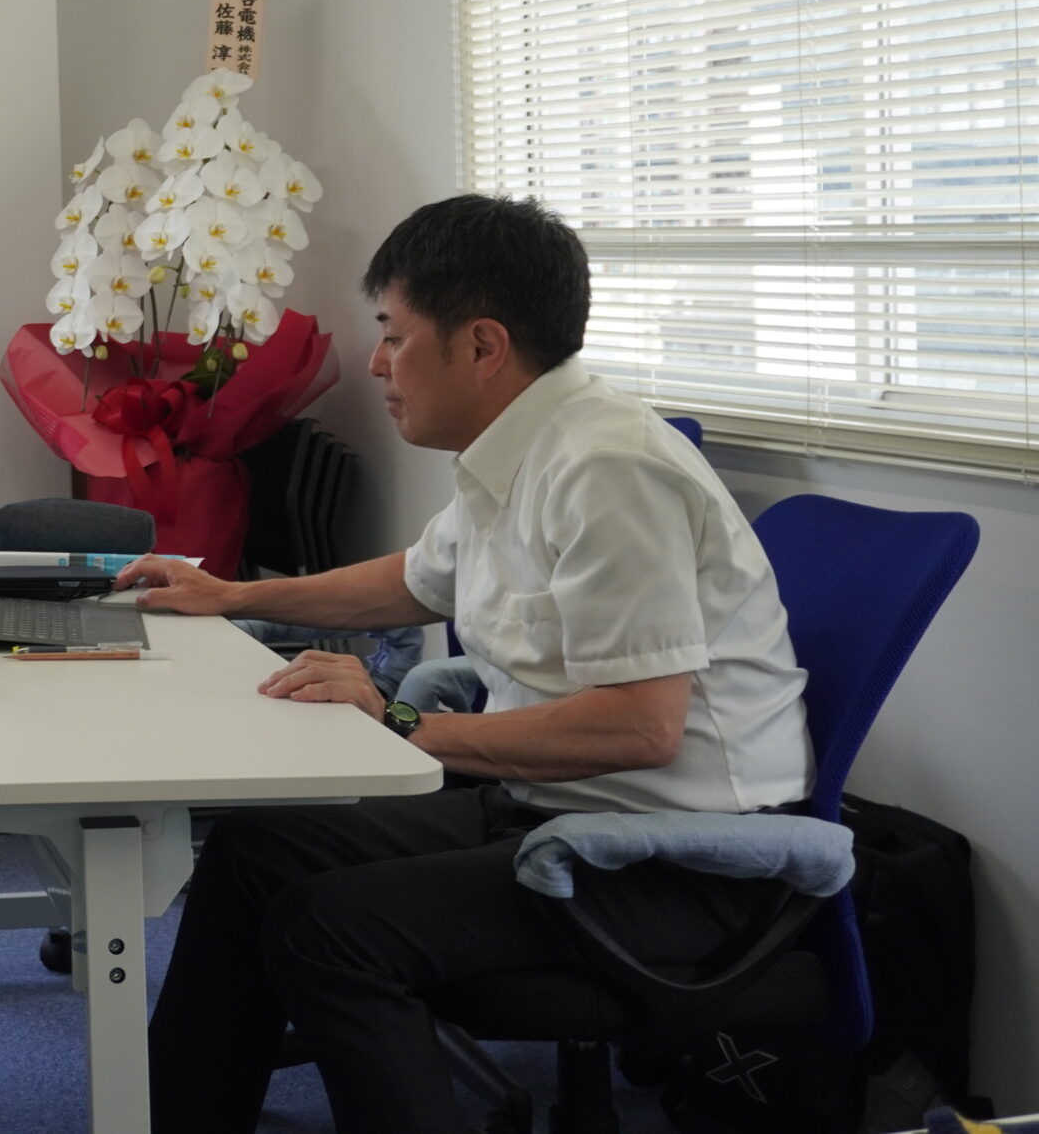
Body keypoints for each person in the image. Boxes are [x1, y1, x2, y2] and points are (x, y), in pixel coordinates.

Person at [119, 195, 811, 1134]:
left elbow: (642, 725)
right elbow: (415, 579)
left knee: (328, 930)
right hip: (560, 809)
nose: (377, 363)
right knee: (255, 854)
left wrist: (401, 721)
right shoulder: (517, 448)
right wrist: (231, 595)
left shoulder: (606, 466)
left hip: (678, 860)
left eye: (394, 336)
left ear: (482, 345)